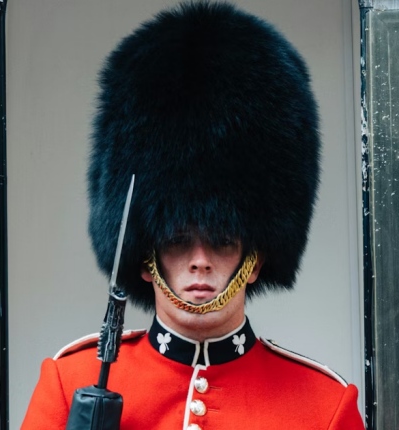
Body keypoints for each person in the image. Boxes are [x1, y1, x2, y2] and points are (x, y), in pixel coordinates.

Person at [22, 2, 365, 429]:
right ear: (145, 259)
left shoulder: (323, 407)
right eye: (176, 240)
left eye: (222, 240)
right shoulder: (69, 382)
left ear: (253, 261)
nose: (199, 259)